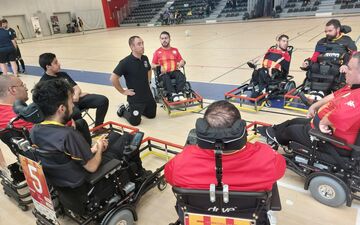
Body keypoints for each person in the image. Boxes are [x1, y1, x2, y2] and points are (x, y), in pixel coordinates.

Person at [30, 79, 149, 197]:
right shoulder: (68, 135)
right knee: (127, 138)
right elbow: (92, 167)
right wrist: (99, 149)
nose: (73, 105)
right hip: (86, 183)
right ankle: (139, 174)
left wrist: (94, 149)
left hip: (63, 179)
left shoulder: (35, 130)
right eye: (71, 102)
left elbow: (61, 155)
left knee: (113, 135)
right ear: (61, 108)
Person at [165, 100, 286, 191]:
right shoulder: (267, 157)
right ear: (241, 129)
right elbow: (280, 171)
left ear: (203, 130)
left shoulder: (181, 162)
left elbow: (170, 177)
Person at [261, 51, 360, 156]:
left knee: (290, 130)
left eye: (349, 68)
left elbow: (340, 116)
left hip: (330, 139)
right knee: (293, 121)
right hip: (319, 126)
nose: (345, 71)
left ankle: (278, 138)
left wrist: (323, 122)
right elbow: (333, 96)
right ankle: (273, 131)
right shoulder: (352, 86)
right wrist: (314, 106)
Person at [0, 75, 92, 145]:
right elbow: (53, 129)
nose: (26, 88)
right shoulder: (22, 117)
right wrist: (70, 122)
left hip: (32, 153)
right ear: (13, 90)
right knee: (79, 120)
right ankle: (88, 153)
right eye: (22, 85)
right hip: (54, 146)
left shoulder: (6, 115)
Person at [38, 53, 109, 129]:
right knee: (75, 113)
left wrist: (76, 95)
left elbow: (76, 88)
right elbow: (54, 103)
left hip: (76, 99)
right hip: (65, 105)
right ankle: (81, 134)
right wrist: (72, 98)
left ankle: (98, 127)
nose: (59, 64)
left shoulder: (63, 74)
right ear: (48, 66)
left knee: (103, 100)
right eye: (55, 63)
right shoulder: (44, 83)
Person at [301, 19, 357, 95]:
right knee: (314, 67)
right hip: (322, 66)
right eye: (326, 31)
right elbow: (315, 56)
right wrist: (308, 62)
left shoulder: (346, 41)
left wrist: (346, 65)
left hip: (337, 67)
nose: (327, 33)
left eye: (330, 31)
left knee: (334, 70)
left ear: (337, 29)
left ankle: (325, 92)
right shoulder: (323, 42)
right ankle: (315, 91)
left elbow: (353, 56)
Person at [110, 36, 156, 126]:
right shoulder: (125, 62)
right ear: (132, 47)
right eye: (139, 44)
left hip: (147, 95)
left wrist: (149, 81)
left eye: (142, 43)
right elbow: (113, 78)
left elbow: (149, 70)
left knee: (152, 115)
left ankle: (134, 109)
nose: (142, 46)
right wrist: (123, 91)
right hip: (135, 98)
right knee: (135, 122)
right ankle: (123, 110)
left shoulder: (145, 58)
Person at [152, 31, 186, 102]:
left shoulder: (175, 50)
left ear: (170, 39)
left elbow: (181, 60)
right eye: (162, 38)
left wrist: (182, 62)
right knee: (165, 77)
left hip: (174, 71)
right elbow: (152, 65)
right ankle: (173, 94)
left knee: (180, 75)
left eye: (166, 38)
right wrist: (159, 66)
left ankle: (180, 93)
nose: (164, 40)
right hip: (163, 73)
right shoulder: (157, 52)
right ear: (160, 40)